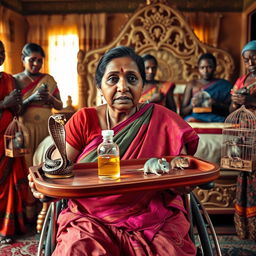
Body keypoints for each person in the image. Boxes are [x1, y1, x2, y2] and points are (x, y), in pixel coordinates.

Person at [28, 46, 199, 255]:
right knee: (76, 248)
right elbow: (55, 170)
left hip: (152, 214)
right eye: (112, 79)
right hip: (89, 218)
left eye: (132, 79)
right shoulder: (84, 119)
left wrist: (182, 183)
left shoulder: (163, 119)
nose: (123, 87)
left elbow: (182, 167)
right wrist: (43, 186)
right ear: (99, 86)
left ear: (142, 85)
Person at [13, 43, 63, 222]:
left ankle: (46, 212)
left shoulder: (48, 79)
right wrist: (31, 99)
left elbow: (60, 105)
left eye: (39, 60)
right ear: (23, 59)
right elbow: (13, 109)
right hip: (25, 132)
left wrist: (50, 98)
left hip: (45, 131)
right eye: (32, 60)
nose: (36, 64)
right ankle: (27, 215)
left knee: (44, 168)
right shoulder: (14, 80)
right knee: (26, 171)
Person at [0, 40, 28, 244]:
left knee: (10, 182)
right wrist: (4, 103)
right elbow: (6, 104)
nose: (0, 55)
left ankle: (8, 229)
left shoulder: (9, 78)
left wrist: (16, 104)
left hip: (9, 139)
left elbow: (17, 110)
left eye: (2, 52)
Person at [231, 40, 256, 240]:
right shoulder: (241, 81)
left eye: (254, 57)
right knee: (245, 175)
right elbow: (231, 112)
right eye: (247, 59)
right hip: (245, 135)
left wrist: (251, 101)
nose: (251, 62)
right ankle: (247, 227)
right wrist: (235, 103)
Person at [180, 53, 233, 122]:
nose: (205, 71)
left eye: (209, 67)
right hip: (195, 118)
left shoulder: (225, 85)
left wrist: (215, 103)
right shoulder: (192, 84)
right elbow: (182, 112)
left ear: (215, 67)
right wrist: (192, 105)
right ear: (198, 68)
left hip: (216, 118)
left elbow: (230, 110)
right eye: (202, 67)